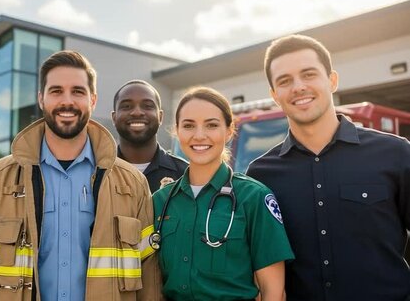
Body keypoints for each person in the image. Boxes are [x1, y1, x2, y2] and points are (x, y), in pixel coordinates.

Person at [0, 50, 161, 300]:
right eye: (56, 91)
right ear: (41, 98)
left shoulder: (132, 184)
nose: (67, 101)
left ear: (92, 100)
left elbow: (150, 279)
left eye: (78, 92)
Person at [246, 34, 410, 300]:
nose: (298, 87)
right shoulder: (260, 176)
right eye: (285, 81)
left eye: (308, 74)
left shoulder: (396, 153)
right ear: (275, 95)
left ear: (332, 80)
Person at [153, 86, 293, 301]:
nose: (199, 136)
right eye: (189, 125)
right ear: (177, 131)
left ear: (229, 131)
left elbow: (273, 292)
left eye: (211, 125)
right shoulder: (160, 201)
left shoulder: (253, 197)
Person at [112, 80, 187, 192]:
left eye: (147, 106)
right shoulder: (97, 172)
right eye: (127, 106)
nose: (137, 112)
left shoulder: (185, 174)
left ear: (160, 117)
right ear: (114, 117)